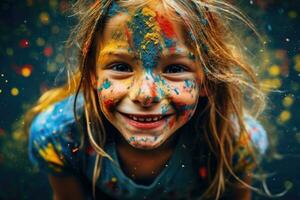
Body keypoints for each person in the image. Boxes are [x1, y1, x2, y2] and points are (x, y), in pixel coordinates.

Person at [26, 0, 269, 199]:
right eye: (121, 66)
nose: (145, 94)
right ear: (93, 74)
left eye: (174, 69)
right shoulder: (58, 137)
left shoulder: (236, 143)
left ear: (206, 79)